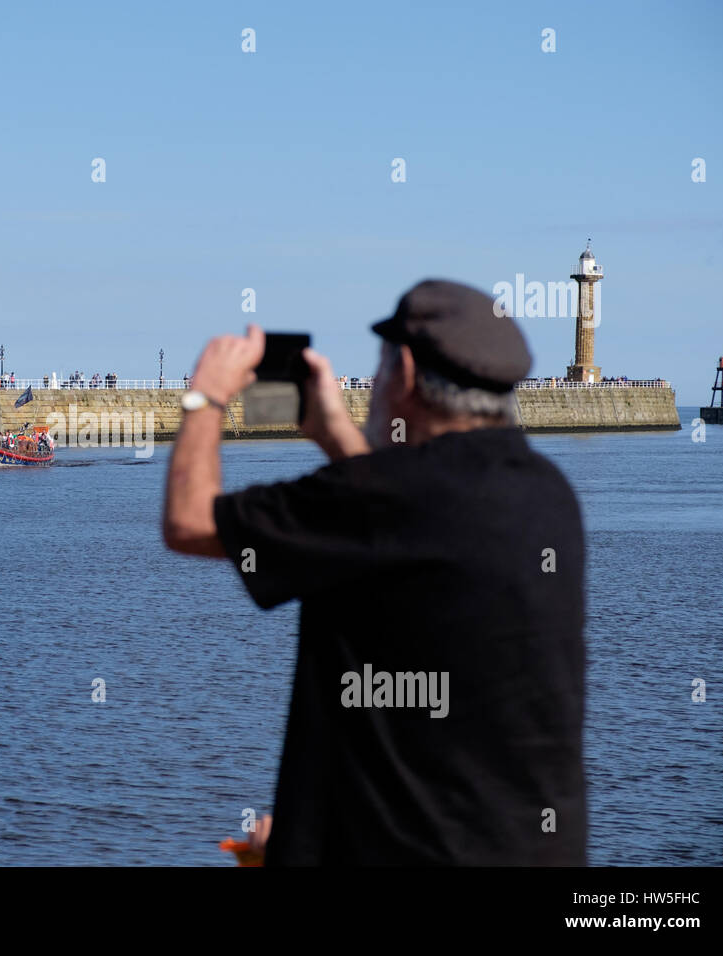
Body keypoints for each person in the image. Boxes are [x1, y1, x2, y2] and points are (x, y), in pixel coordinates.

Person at [162, 279, 586, 866]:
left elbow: (188, 523)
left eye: (379, 367)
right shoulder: (549, 497)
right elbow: (408, 520)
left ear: (405, 371)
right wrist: (337, 436)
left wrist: (204, 399)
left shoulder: (377, 499)